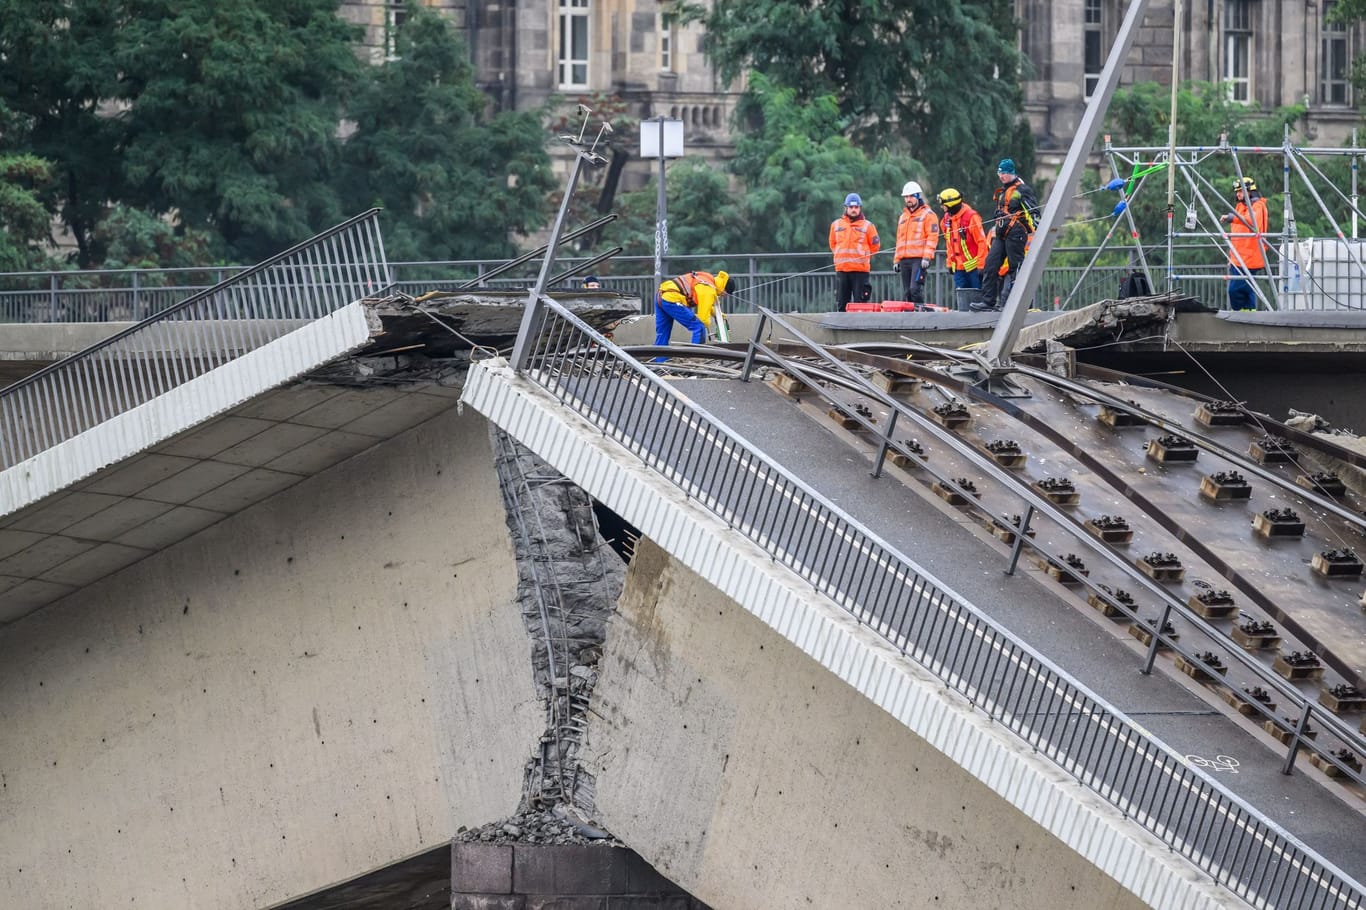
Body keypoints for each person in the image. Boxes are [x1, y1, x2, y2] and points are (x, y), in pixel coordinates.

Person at [974, 159, 1039, 312]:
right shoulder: (1004, 191)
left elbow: (1034, 211)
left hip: (1016, 233)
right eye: (1000, 173)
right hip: (1001, 233)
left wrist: (1038, 228)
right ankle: (988, 301)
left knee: (1015, 268)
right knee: (990, 264)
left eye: (1005, 173)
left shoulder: (1022, 190)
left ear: (1012, 173)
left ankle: (1020, 303)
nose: (1002, 176)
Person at [653, 269, 735, 349]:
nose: (725, 296)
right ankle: (695, 357)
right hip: (672, 299)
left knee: (662, 334)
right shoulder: (709, 291)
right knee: (699, 327)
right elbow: (703, 318)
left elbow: (706, 306)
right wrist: (709, 327)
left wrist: (718, 315)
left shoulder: (707, 280)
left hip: (661, 296)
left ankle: (659, 360)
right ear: (723, 289)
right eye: (726, 294)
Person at [1221, 176, 1269, 311]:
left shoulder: (1258, 206)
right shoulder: (1240, 206)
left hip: (1250, 257)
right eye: (1237, 191)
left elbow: (1252, 221)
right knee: (1248, 289)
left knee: (1234, 290)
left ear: (1250, 191)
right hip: (1238, 257)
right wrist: (1231, 257)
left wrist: (1232, 218)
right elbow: (1236, 236)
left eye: (1241, 191)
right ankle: (1249, 313)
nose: (1238, 194)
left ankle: (1240, 313)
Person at [829, 192, 881, 311]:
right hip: (842, 270)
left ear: (860, 208)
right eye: (851, 207)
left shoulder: (868, 226)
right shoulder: (836, 225)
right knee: (842, 305)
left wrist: (862, 257)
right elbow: (832, 244)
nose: (853, 210)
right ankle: (842, 329)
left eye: (856, 207)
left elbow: (875, 246)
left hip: (860, 272)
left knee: (860, 306)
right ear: (846, 208)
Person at [938, 187, 988, 309]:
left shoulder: (971, 217)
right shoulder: (946, 220)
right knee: (962, 302)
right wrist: (949, 263)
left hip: (974, 269)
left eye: (943, 204)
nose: (942, 207)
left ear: (950, 205)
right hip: (958, 269)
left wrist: (981, 265)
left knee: (977, 300)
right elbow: (949, 242)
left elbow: (982, 242)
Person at [894, 181, 939, 304]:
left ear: (918, 196)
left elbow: (932, 237)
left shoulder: (928, 215)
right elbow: (899, 239)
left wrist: (927, 257)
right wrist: (896, 260)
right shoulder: (903, 217)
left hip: (919, 260)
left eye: (911, 196)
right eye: (906, 197)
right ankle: (910, 319)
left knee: (915, 289)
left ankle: (920, 316)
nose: (908, 199)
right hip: (904, 260)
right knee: (907, 292)